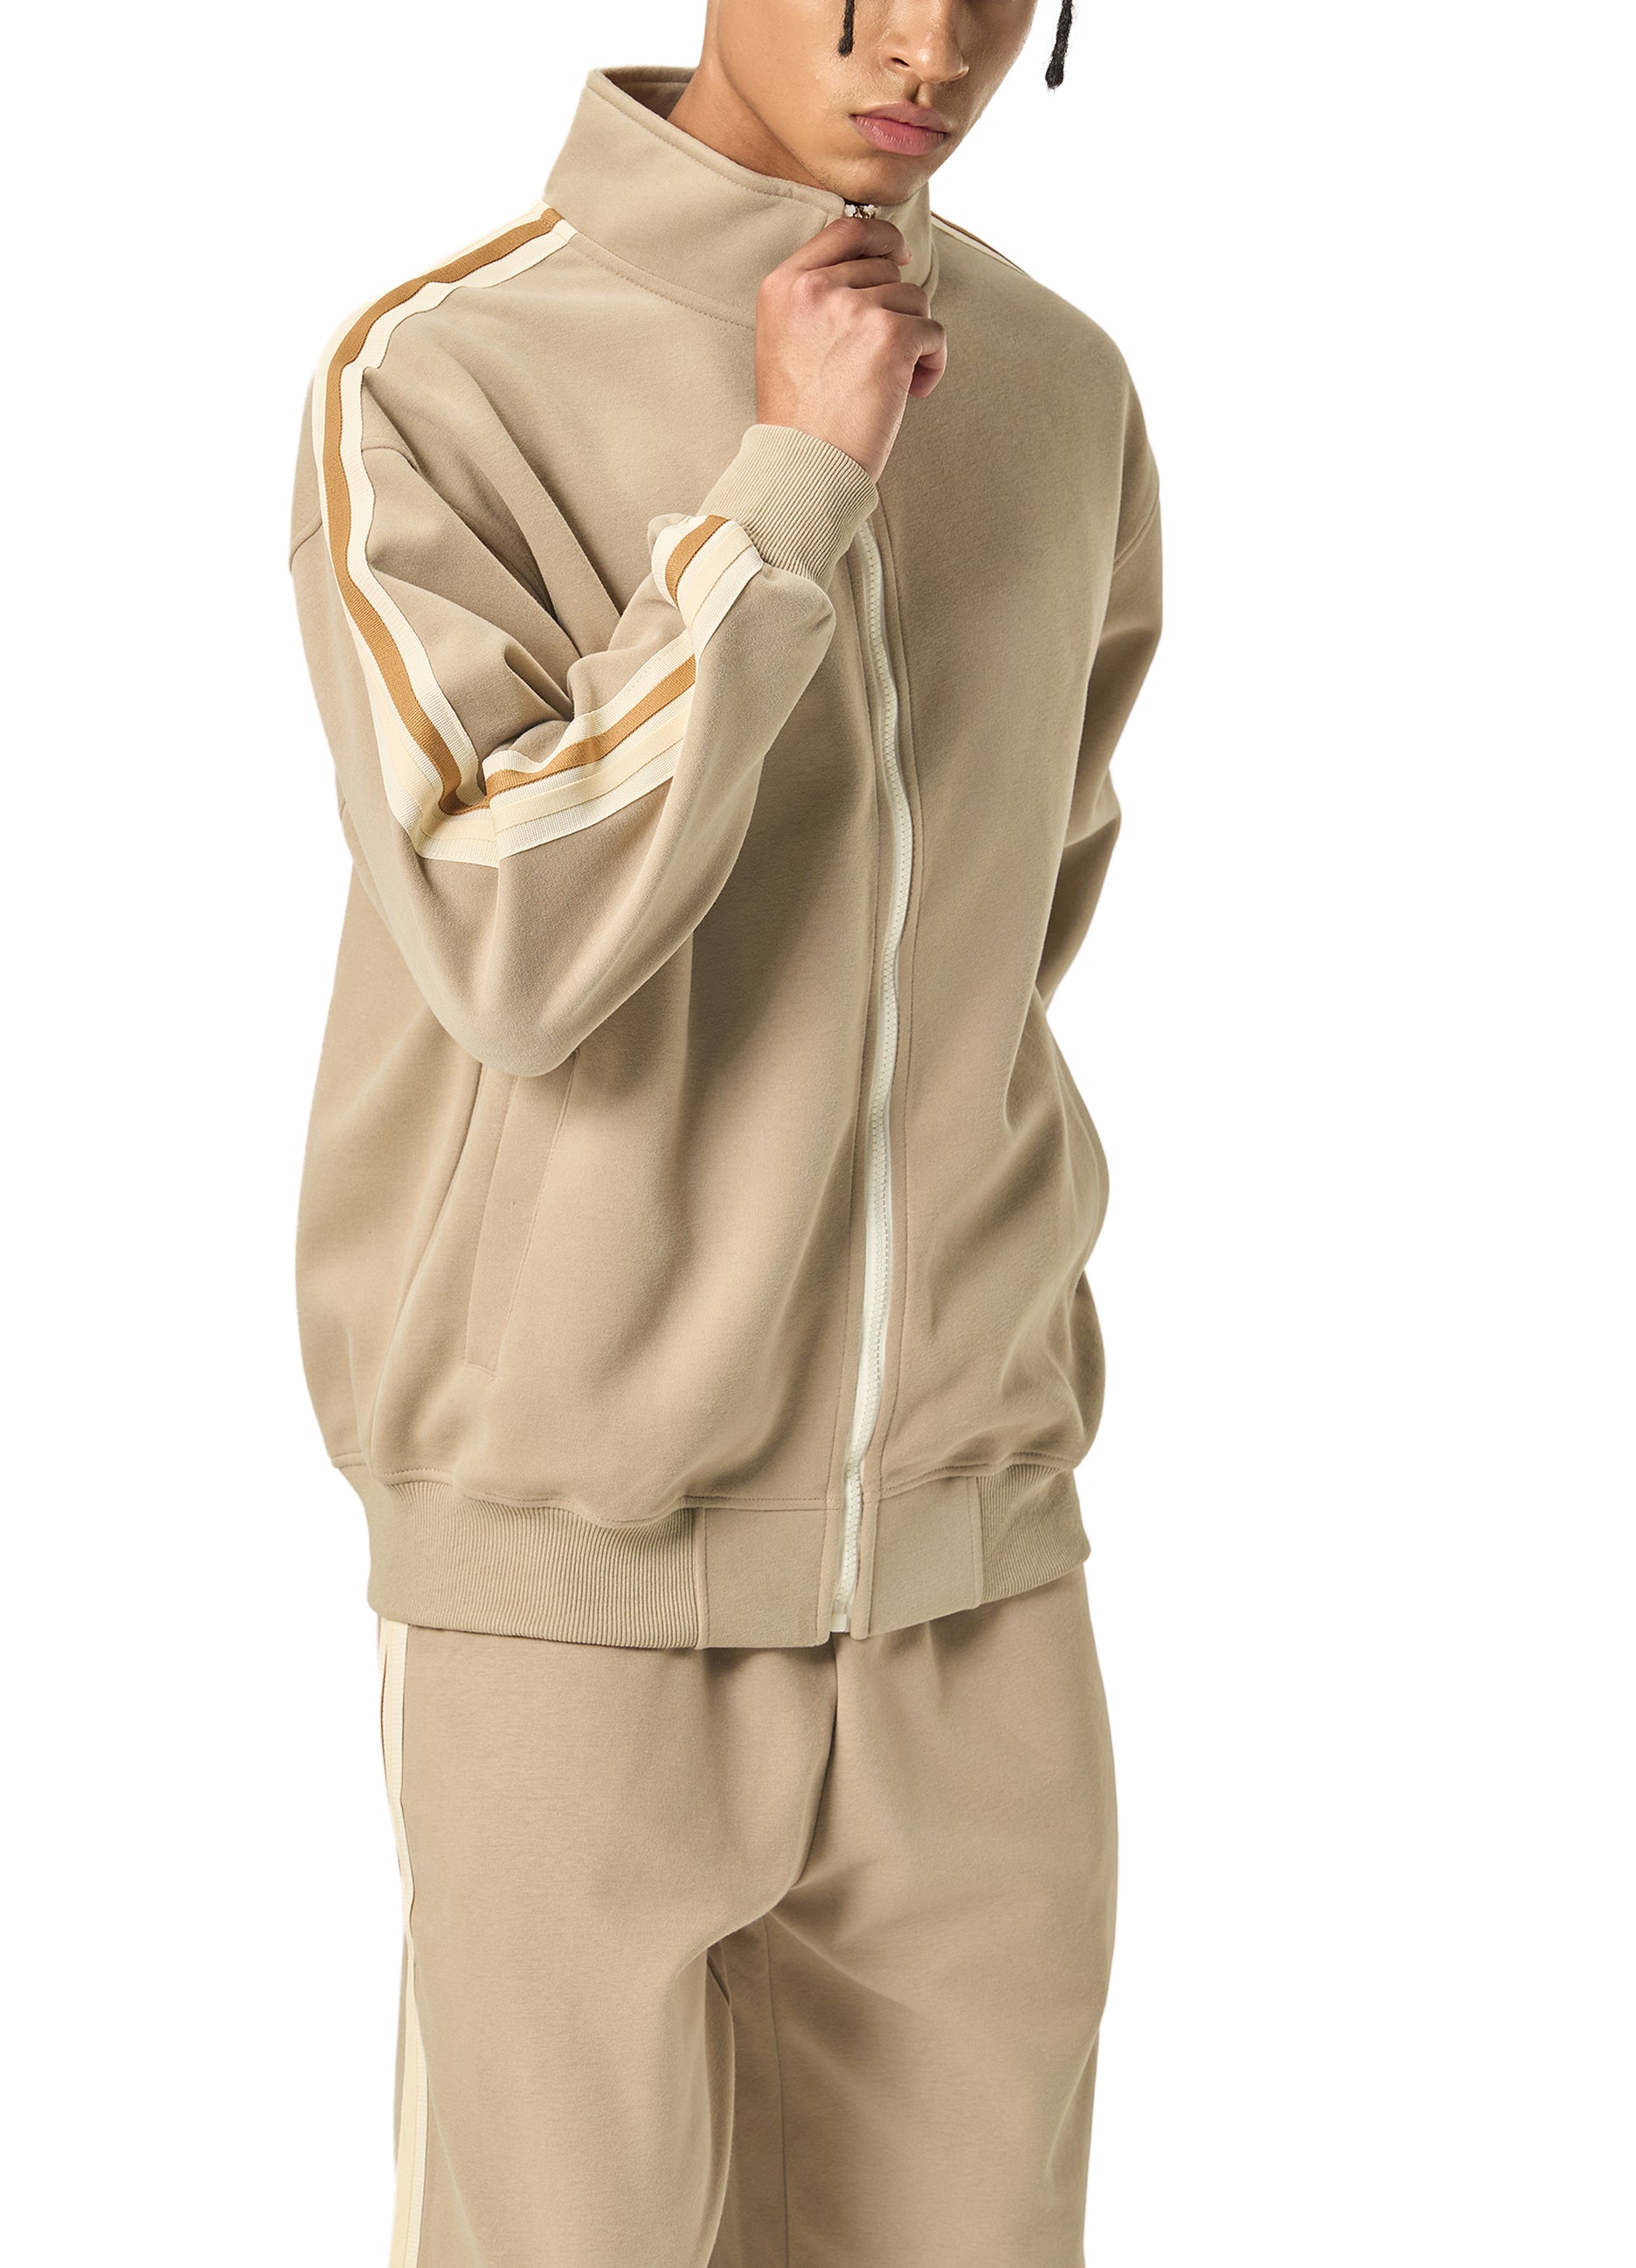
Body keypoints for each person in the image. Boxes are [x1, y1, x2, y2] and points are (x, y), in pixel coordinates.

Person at [287, 2, 1161, 2258]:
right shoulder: (446, 377)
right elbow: (507, 936)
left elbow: (1017, 919)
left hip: (975, 1590)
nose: (934, 42)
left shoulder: (1059, 387)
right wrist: (787, 487)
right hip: (571, 1578)